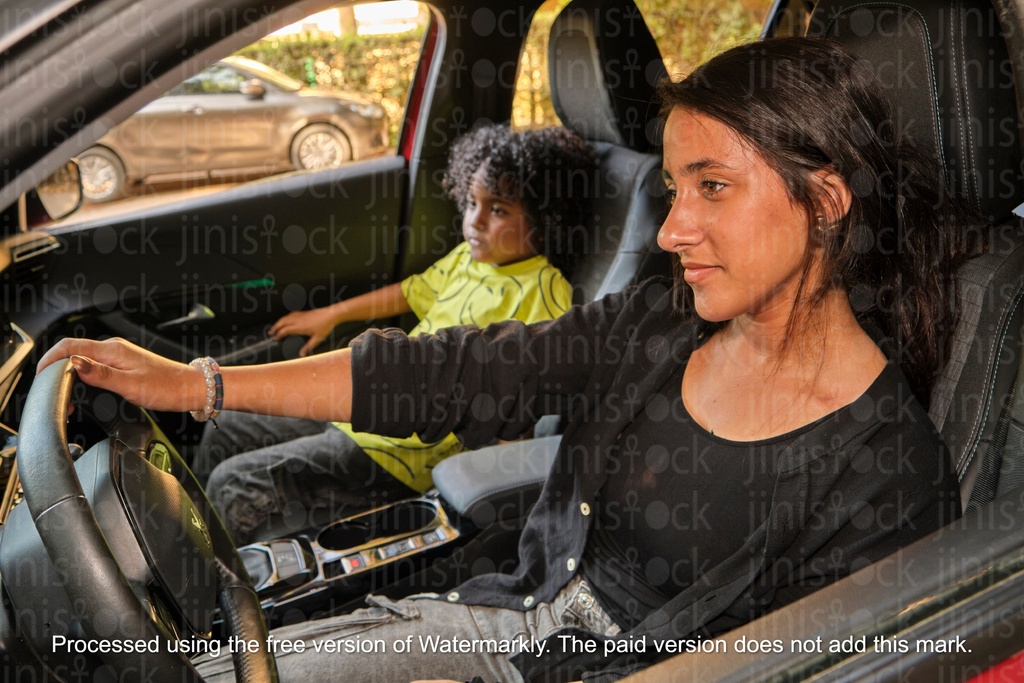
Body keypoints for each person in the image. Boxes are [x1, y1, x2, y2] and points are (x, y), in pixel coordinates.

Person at [38, 37, 975, 682]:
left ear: (826, 199)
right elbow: (437, 372)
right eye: (676, 186)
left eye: (712, 188)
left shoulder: (892, 478)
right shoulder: (655, 324)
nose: (676, 227)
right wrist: (200, 384)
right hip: (503, 620)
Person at [189, 124, 596, 544]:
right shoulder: (470, 259)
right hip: (361, 410)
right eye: (472, 202)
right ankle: (188, 535)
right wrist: (329, 315)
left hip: (403, 453)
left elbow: (529, 391)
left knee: (234, 482)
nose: (474, 221)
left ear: (546, 221)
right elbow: (409, 291)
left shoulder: (546, 295)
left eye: (498, 210)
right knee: (229, 420)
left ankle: (213, 591)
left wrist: (493, 481)